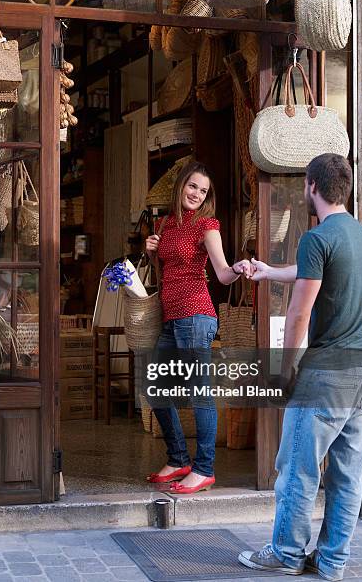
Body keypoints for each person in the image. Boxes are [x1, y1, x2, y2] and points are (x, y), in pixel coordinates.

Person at [238, 153, 362, 581]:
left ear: (312, 187)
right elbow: (316, 273)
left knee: (297, 468)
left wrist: (283, 368)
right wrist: (268, 272)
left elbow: (300, 312)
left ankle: (286, 553)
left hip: (326, 375)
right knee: (347, 475)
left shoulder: (316, 237)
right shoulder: (361, 236)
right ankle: (333, 561)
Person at [145, 161, 251, 495]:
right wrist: (149, 252)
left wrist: (238, 268)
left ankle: (204, 468)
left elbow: (220, 272)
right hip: (170, 315)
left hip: (195, 314)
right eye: (193, 186)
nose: (196, 194)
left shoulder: (207, 224)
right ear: (181, 186)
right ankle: (178, 458)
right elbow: (165, 269)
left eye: (203, 190)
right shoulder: (165, 223)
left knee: (197, 393)